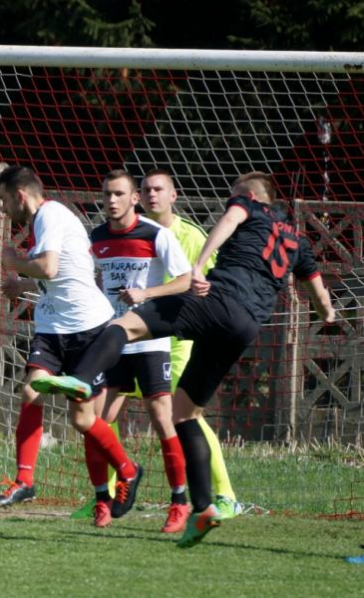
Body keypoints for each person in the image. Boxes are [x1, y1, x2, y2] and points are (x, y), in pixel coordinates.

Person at [40, 171, 334, 547]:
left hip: (218, 302)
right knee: (184, 413)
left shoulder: (247, 206)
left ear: (248, 195)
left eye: (234, 196)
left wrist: (201, 262)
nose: (231, 202)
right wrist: (326, 314)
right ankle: (202, 508)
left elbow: (229, 220)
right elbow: (317, 291)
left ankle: (80, 378)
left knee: (125, 324)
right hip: (245, 327)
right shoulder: (299, 241)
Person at [0, 165, 143, 520]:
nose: (2, 209)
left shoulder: (50, 215)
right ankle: (24, 481)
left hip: (89, 330)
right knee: (31, 391)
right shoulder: (44, 221)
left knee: (83, 419)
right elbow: (64, 276)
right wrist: (23, 285)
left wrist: (13, 261)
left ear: (19, 196)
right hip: (53, 327)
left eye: (2, 201)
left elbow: (49, 268)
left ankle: (127, 471)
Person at [87, 170, 192, 532]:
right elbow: (86, 279)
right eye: (106, 194)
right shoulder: (95, 238)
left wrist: (146, 295)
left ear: (134, 199)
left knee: (162, 419)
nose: (111, 201)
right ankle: (102, 499)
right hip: (110, 339)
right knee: (93, 421)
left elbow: (186, 280)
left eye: (118, 194)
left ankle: (179, 501)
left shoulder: (156, 234)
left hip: (148, 339)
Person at [140, 168, 242, 521]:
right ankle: (106, 494)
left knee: (184, 413)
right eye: (147, 190)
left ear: (174, 196)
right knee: (105, 402)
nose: (152, 195)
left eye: (159, 189)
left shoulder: (191, 235)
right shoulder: (133, 230)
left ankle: (225, 494)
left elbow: (209, 283)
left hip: (179, 337)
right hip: (137, 333)